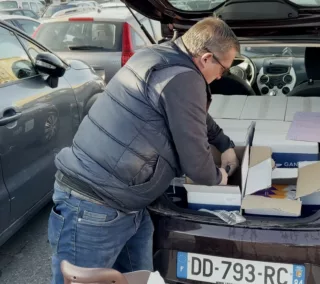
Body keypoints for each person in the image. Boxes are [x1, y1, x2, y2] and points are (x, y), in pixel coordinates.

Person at [48, 16, 240, 283]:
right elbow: (198, 166)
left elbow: (192, 115)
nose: (221, 77)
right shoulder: (184, 78)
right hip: (93, 208)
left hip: (125, 204)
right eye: (224, 69)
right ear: (206, 58)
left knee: (140, 278)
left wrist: (223, 143)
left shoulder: (159, 57)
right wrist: (219, 177)